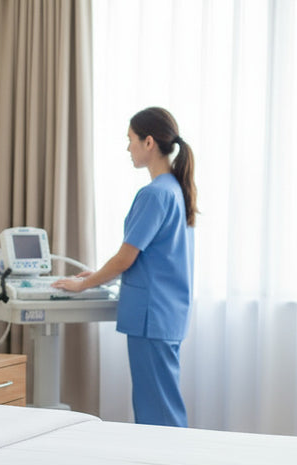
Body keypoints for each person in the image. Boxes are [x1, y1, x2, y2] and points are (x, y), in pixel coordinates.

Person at [52, 107, 196, 427]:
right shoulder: (175, 190)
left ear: (148, 143)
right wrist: (97, 276)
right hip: (166, 312)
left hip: (151, 315)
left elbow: (125, 258)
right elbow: (151, 258)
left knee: (155, 407)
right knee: (164, 402)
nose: (127, 148)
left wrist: (81, 285)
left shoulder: (154, 194)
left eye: (130, 140)